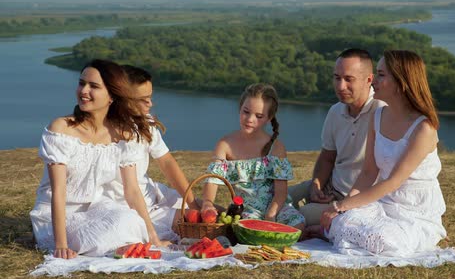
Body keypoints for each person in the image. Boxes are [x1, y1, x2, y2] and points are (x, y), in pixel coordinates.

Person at [29, 59, 168, 259]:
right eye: (81, 83)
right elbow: (58, 191)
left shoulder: (123, 133)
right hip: (58, 217)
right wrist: (61, 245)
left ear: (112, 96)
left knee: (132, 220)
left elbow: (133, 191)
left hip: (96, 210)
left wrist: (153, 237)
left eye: (93, 86)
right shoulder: (60, 129)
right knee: (103, 237)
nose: (84, 91)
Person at [316, 50, 447, 256]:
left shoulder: (424, 128)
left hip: (414, 209)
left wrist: (341, 205)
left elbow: (394, 181)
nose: (373, 81)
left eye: (381, 75)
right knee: (345, 221)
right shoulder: (377, 116)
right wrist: (346, 209)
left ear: (401, 82)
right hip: (384, 203)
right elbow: (368, 173)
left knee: (385, 241)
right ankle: (332, 231)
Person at [101, 65, 200, 242]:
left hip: (152, 197)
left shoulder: (144, 123)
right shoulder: (105, 131)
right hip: (125, 208)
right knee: (197, 228)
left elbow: (167, 163)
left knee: (211, 213)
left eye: (150, 97)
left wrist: (193, 203)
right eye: (143, 99)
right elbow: (130, 190)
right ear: (121, 99)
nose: (150, 104)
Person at [289, 48, 386, 227]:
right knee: (276, 199)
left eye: (349, 79)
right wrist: (316, 185)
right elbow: (327, 157)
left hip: (356, 200)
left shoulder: (381, 111)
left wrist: (344, 203)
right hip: (330, 186)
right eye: (337, 77)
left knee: (295, 218)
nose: (341, 86)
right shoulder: (335, 111)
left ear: (369, 80)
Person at [201, 83, 305, 230]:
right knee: (246, 231)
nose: (250, 119)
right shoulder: (225, 144)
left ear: (269, 118)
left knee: (298, 223)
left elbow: (281, 193)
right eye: (246, 112)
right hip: (246, 210)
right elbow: (213, 180)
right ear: (240, 108)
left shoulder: (276, 147)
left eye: (259, 116)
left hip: (276, 207)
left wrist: (271, 215)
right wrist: (207, 203)